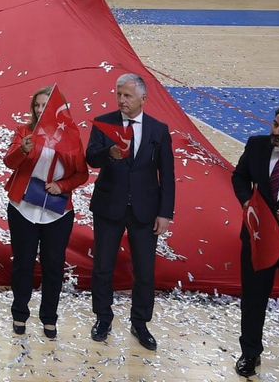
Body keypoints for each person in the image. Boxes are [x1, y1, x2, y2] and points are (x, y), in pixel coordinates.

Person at [86, 72, 175, 351]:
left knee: (145, 271)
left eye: (127, 96)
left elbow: (167, 175)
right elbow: (90, 157)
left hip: (145, 211)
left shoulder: (158, 130)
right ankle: (103, 317)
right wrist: (107, 153)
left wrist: (165, 213)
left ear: (143, 99)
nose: (121, 100)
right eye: (119, 95)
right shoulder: (104, 123)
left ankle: (140, 323)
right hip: (108, 206)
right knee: (102, 266)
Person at [3, 86, 88, 339]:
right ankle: (19, 314)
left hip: (57, 212)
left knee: (53, 266)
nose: (41, 110)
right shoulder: (24, 132)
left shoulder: (70, 137)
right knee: (23, 264)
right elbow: (10, 162)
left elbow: (81, 173)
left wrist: (61, 186)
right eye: (37, 105)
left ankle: (49, 318)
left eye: (45, 106)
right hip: (23, 208)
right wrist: (23, 150)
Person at [231, 105, 279, 378]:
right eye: (275, 124)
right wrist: (247, 204)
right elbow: (239, 177)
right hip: (258, 237)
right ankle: (250, 354)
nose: (276, 131)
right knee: (253, 299)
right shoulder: (256, 145)